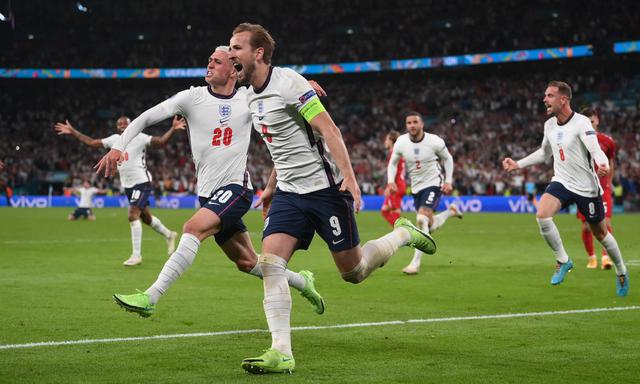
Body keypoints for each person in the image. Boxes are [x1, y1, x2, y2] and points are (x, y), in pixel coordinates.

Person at [229, 23, 436, 374]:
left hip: (325, 191)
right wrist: (269, 187)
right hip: (290, 194)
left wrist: (351, 181)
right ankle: (281, 350)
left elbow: (329, 129)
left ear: (258, 53)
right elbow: (282, 147)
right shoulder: (249, 95)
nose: (231, 53)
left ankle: (403, 234)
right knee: (271, 263)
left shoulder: (290, 84)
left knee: (353, 272)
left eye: (236, 47)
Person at [94, 46, 325, 318]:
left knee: (192, 228)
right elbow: (146, 117)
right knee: (247, 262)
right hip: (208, 194)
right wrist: (118, 146)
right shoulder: (191, 97)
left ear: (233, 69)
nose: (210, 65)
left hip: (236, 190)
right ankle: (302, 281)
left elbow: (279, 87)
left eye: (217, 62)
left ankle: (151, 296)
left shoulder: (249, 98)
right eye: (209, 60)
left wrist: (301, 85)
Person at [502, 81, 629, 297]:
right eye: (545, 95)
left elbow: (595, 148)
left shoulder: (581, 123)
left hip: (586, 188)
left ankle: (621, 271)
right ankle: (563, 260)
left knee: (601, 233)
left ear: (564, 99)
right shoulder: (549, 125)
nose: (545, 99)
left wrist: (602, 163)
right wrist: (518, 164)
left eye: (550, 95)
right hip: (562, 181)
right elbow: (544, 154)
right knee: (542, 215)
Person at [54, 115, 182, 266]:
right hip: (127, 185)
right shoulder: (114, 139)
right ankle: (169, 235)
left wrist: (173, 128)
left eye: (125, 123)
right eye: (119, 124)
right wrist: (73, 131)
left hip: (142, 182)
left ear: (131, 125)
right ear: (117, 127)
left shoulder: (139, 137)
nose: (122, 125)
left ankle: (136, 256)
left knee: (132, 215)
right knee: (146, 218)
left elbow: (160, 142)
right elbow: (91, 142)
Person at [387, 112, 462, 275]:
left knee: (421, 219)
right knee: (426, 223)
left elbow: (448, 159)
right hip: (416, 187)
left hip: (434, 182)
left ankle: (415, 263)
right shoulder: (401, 142)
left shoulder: (434, 141)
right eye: (409, 123)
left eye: (415, 122)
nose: (412, 125)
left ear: (422, 124)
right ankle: (450, 212)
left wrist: (448, 181)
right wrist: (390, 180)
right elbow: (392, 163)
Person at [576, 108, 615, 270]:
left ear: (597, 121)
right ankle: (591, 257)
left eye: (591, 121)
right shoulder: (578, 140)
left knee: (605, 222)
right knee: (586, 226)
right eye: (586, 122)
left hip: (602, 188)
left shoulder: (607, 141)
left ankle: (606, 257)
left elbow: (611, 162)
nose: (589, 125)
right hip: (584, 188)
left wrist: (609, 182)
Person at [381, 131, 406, 226]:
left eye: (387, 139)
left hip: (396, 186)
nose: (385, 141)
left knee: (395, 210)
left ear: (392, 141)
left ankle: (404, 231)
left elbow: (394, 172)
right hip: (398, 184)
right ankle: (401, 230)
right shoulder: (399, 153)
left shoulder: (394, 154)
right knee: (384, 210)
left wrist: (389, 187)